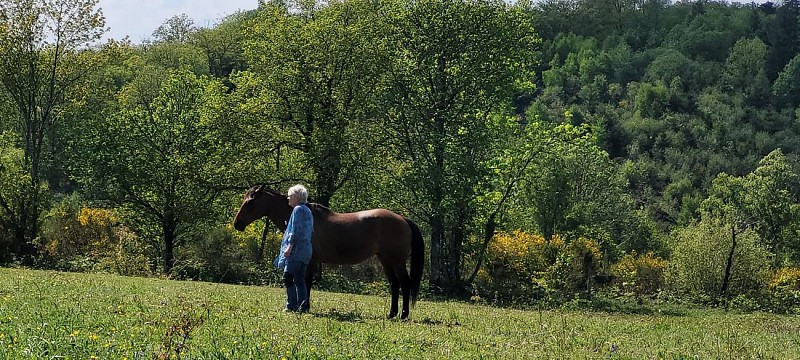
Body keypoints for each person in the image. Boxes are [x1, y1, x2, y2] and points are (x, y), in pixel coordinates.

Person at [274, 184, 314, 312]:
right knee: (299, 279)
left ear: (296, 197)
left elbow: (296, 231)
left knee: (288, 276)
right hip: (306, 250)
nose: (288, 198)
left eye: (290, 196)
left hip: (297, 250)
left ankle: (291, 305)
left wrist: (289, 247)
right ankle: (303, 306)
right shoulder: (307, 210)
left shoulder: (297, 210)